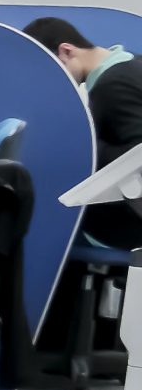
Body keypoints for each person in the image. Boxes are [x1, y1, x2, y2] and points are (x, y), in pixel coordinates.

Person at [26, 15, 142, 250]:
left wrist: (83, 141)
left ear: (66, 51)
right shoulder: (131, 63)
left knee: (42, 218)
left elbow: (137, 157)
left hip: (132, 221)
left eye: (53, 70)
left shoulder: (112, 87)